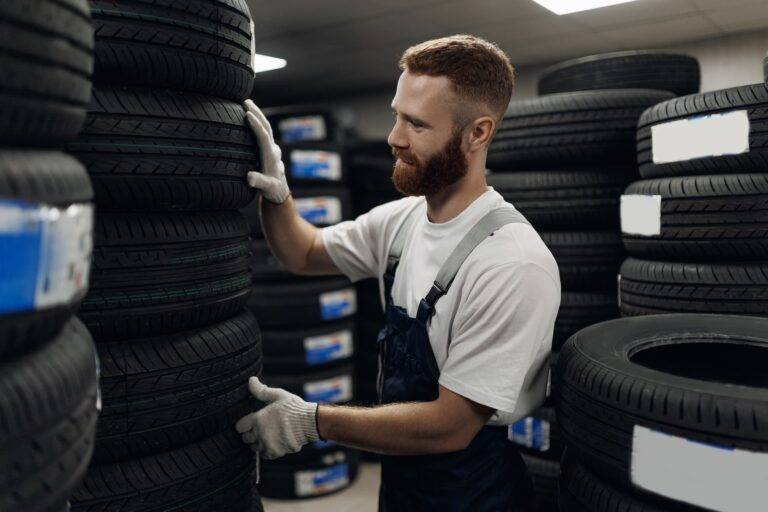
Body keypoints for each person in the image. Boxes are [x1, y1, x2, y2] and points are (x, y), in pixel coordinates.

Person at [236, 34, 561, 511]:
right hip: (404, 480)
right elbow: (304, 252)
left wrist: (314, 421)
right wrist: (277, 193)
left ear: (478, 133)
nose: (394, 137)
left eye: (416, 123)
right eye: (396, 114)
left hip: (473, 491)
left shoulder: (511, 263)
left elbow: (451, 425)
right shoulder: (404, 219)